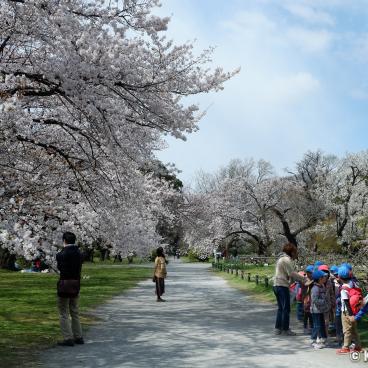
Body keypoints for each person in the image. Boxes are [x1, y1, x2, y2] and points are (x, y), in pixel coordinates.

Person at [56, 232, 84, 346]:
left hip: (64, 284)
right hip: (75, 284)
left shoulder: (61, 254)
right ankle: (79, 337)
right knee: (75, 311)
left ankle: (68, 338)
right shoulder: (80, 254)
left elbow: (60, 268)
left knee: (63, 312)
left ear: (64, 240)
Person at [273, 242, 305, 336]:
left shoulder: (282, 259)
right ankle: (285, 329)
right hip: (281, 285)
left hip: (277, 285)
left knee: (281, 308)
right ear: (291, 252)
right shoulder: (286, 260)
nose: (296, 254)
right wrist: (303, 278)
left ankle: (278, 328)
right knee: (286, 308)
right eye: (295, 252)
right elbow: (291, 273)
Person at [336, 265, 362, 354]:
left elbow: (346, 302)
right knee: (354, 329)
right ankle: (358, 346)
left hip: (347, 311)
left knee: (346, 329)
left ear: (339, 277)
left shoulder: (343, 288)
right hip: (355, 309)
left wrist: (350, 315)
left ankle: (346, 347)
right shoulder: (353, 283)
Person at [310, 270, 329, 349]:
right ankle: (313, 341)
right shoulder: (315, 288)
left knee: (322, 325)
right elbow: (315, 300)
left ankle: (323, 338)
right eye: (323, 277)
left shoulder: (321, 286)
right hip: (316, 310)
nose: (325, 278)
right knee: (317, 325)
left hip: (321, 310)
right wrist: (324, 301)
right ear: (319, 279)